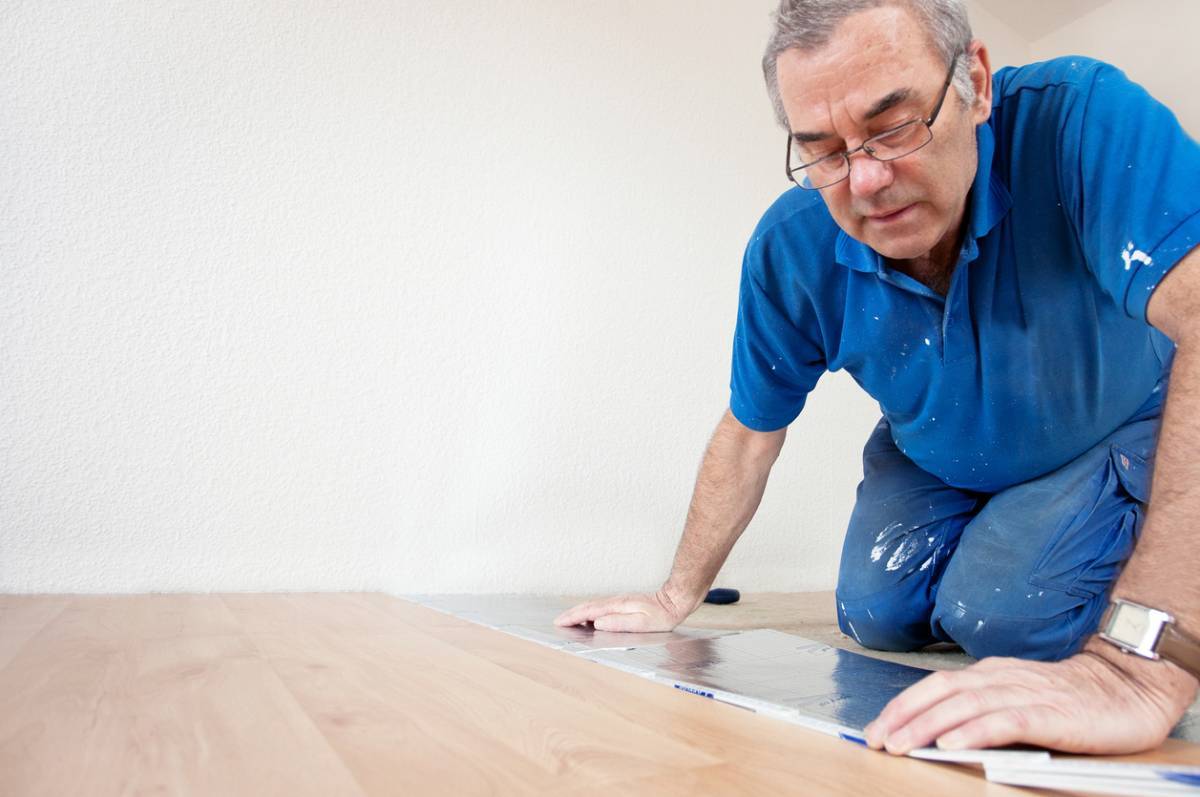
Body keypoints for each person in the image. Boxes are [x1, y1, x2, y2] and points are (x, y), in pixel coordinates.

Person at [556, 0, 1200, 755]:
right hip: (941, 453)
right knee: (875, 609)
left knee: (1000, 612)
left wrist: (1143, 664)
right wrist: (674, 596)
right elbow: (749, 432)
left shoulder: (1081, 120)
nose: (864, 181)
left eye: (893, 127)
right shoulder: (794, 245)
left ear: (978, 86)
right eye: (824, 149)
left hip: (1110, 424)